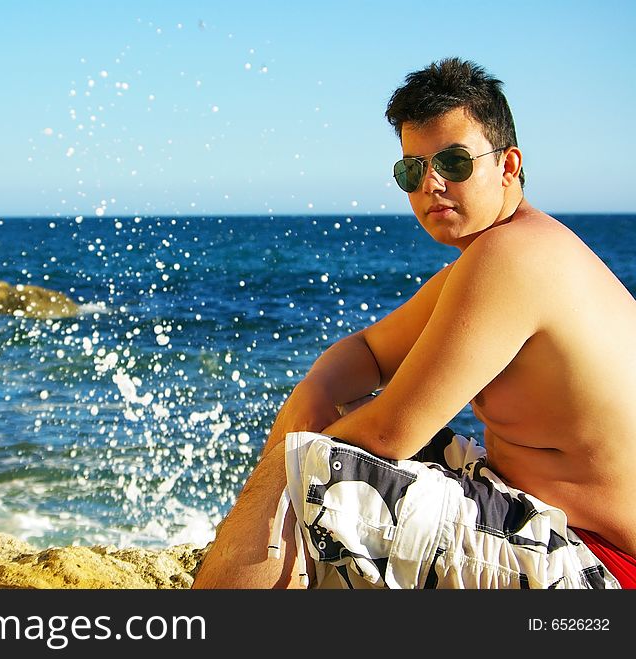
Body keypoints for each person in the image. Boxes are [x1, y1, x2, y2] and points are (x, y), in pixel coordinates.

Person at [192, 57, 636, 589]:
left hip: (600, 565)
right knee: (326, 425)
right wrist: (316, 390)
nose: (431, 184)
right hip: (549, 525)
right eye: (411, 169)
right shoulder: (507, 252)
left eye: (453, 162)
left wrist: (296, 443)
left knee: (306, 465)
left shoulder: (514, 257)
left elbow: (393, 432)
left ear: (508, 165)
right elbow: (370, 353)